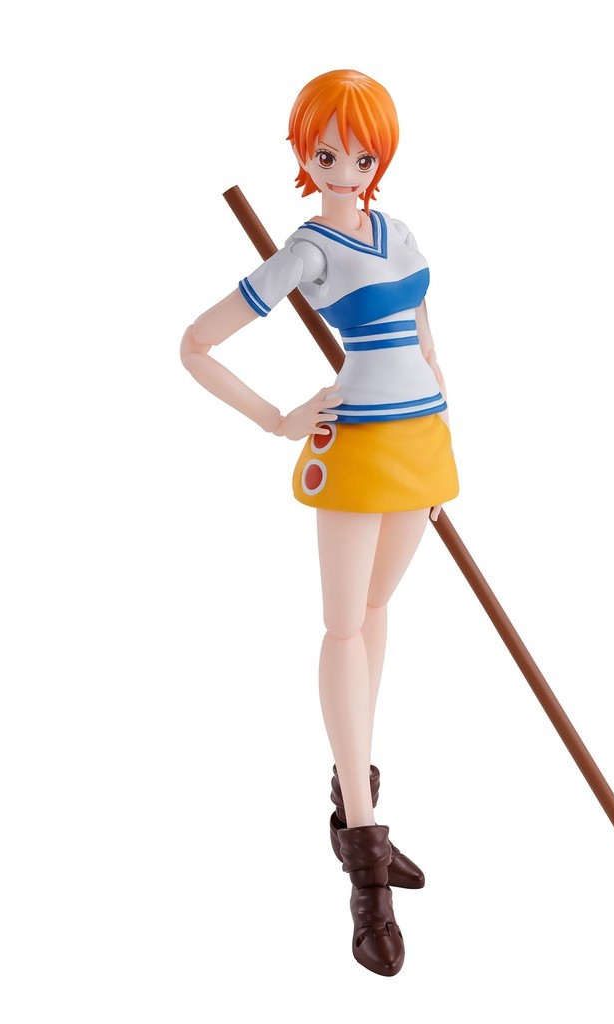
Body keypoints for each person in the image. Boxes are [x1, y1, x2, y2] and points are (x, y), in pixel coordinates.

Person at [180, 69, 457, 977]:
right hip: (360, 449)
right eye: (327, 153)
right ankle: (366, 860)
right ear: (304, 154)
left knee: (375, 613)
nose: (344, 167)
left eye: (361, 154)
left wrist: (439, 391)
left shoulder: (397, 230)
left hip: (421, 445)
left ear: (380, 158)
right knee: (344, 627)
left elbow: (421, 319)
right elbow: (195, 344)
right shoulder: (305, 252)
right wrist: (278, 418)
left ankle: (350, 801)